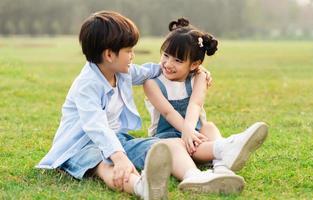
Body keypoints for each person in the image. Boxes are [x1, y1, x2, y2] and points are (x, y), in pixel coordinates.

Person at [36, 11, 245, 199]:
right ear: (109, 55)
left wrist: (196, 71)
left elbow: (154, 70)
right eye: (129, 51)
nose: (133, 56)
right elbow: (95, 127)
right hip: (81, 146)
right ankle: (141, 187)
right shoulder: (87, 86)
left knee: (171, 144)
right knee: (106, 165)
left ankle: (195, 177)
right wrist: (120, 158)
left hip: (115, 140)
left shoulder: (121, 71)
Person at [144, 18, 269, 177]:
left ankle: (222, 167)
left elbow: (195, 104)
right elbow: (168, 112)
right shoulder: (152, 83)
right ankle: (226, 148)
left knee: (208, 126)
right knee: (180, 143)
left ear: (194, 64)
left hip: (196, 133)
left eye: (178, 60)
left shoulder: (199, 77)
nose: (168, 64)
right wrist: (186, 131)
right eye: (166, 55)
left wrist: (191, 131)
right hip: (167, 138)